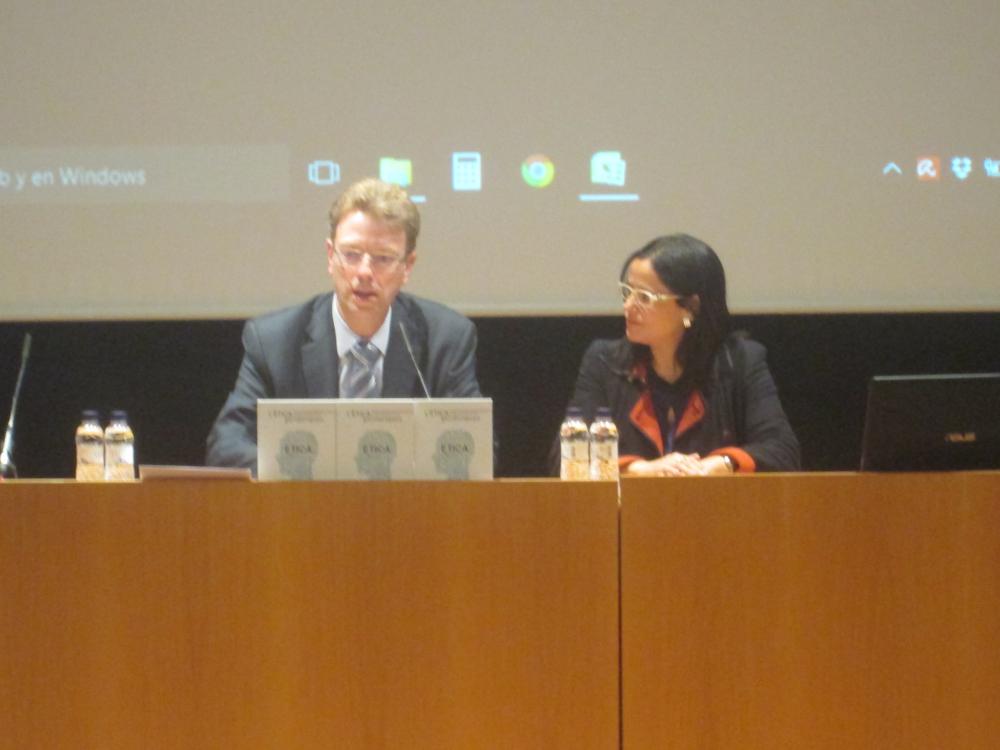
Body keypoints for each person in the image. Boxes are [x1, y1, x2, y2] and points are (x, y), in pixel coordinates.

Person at [207, 178, 482, 473]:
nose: (364, 272)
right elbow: (226, 446)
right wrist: (314, 472)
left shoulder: (445, 339)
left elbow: (477, 448)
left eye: (383, 258)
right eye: (351, 254)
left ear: (407, 266)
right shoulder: (274, 341)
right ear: (330, 256)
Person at [564, 233, 800, 475]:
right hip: (631, 500)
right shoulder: (605, 361)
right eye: (628, 292)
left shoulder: (740, 361)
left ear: (690, 307)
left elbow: (782, 451)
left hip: (715, 498)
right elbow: (567, 455)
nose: (628, 306)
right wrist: (640, 470)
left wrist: (720, 465)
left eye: (644, 297)